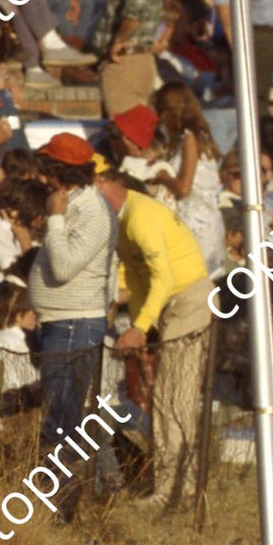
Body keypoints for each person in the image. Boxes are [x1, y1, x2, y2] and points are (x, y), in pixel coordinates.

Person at [96, 170, 210, 508]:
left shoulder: (141, 219)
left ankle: (177, 490)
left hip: (188, 302)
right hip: (170, 309)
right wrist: (143, 324)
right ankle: (176, 487)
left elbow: (163, 279)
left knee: (176, 399)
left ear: (106, 184)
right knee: (167, 399)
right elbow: (135, 276)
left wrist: (139, 328)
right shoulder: (123, 221)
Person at [27, 134, 116, 485]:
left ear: (58, 172)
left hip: (72, 323)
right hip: (62, 321)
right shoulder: (75, 205)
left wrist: (55, 220)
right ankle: (84, 488)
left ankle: (61, 498)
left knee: (61, 419)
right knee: (63, 415)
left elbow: (64, 267)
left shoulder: (93, 212)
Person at [149, 82, 226, 277]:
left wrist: (163, 176)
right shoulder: (197, 137)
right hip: (204, 221)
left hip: (197, 224)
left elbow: (184, 188)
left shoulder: (190, 139)